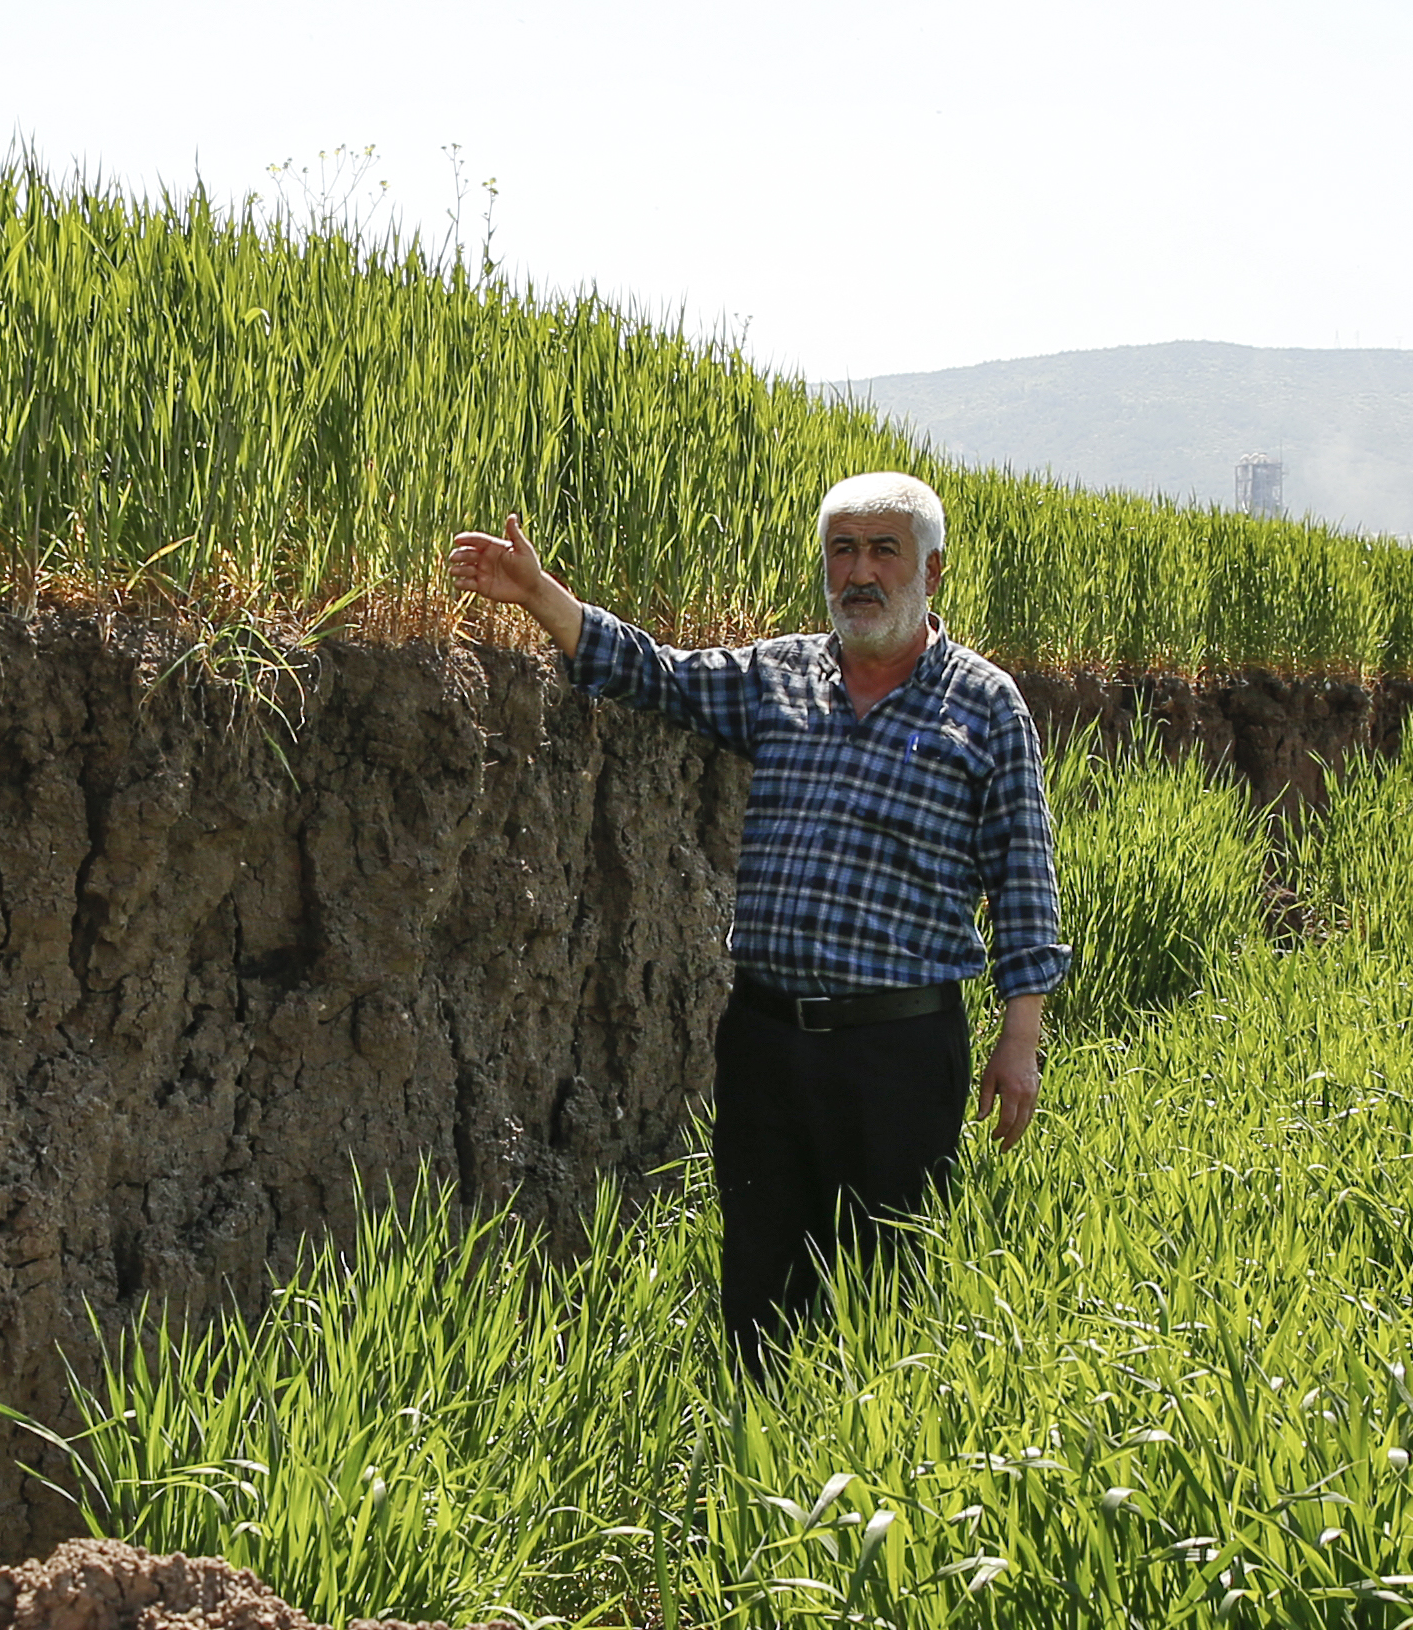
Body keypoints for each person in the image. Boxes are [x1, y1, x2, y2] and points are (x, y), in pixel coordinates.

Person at [445, 475, 1066, 1361]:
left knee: (885, 1288)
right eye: (841, 550)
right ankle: (760, 1457)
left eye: (882, 551)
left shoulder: (984, 703)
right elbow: (653, 674)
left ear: (933, 569)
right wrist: (543, 598)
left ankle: (873, 1471)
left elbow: (1022, 874)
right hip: (766, 1042)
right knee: (759, 1279)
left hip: (899, 1050)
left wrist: (1021, 1036)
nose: (858, 572)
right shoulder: (778, 678)